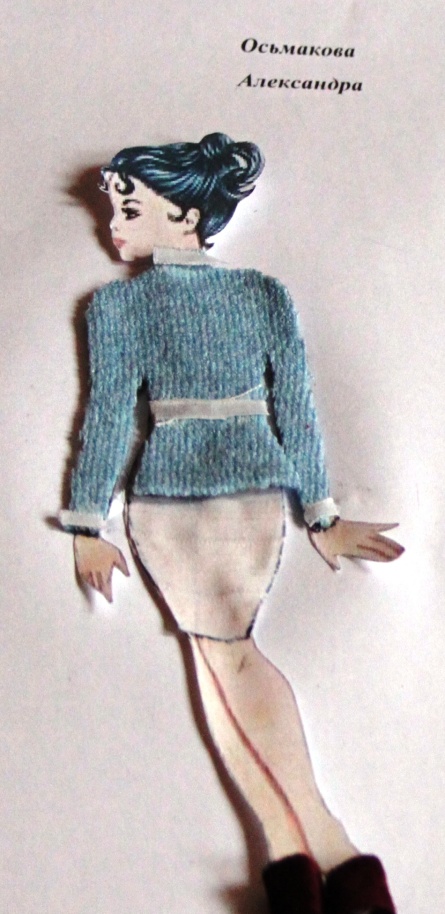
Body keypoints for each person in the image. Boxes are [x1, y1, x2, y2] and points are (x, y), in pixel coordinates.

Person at [61, 132, 403, 914]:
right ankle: (315, 865)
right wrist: (86, 521)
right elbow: (112, 415)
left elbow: (291, 407)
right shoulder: (192, 299)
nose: (113, 225)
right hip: (202, 501)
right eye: (113, 209)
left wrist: (84, 522)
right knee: (220, 660)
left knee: (226, 660)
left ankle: (325, 856)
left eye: (129, 209)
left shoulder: (155, 302)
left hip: (195, 497)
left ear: (187, 216)